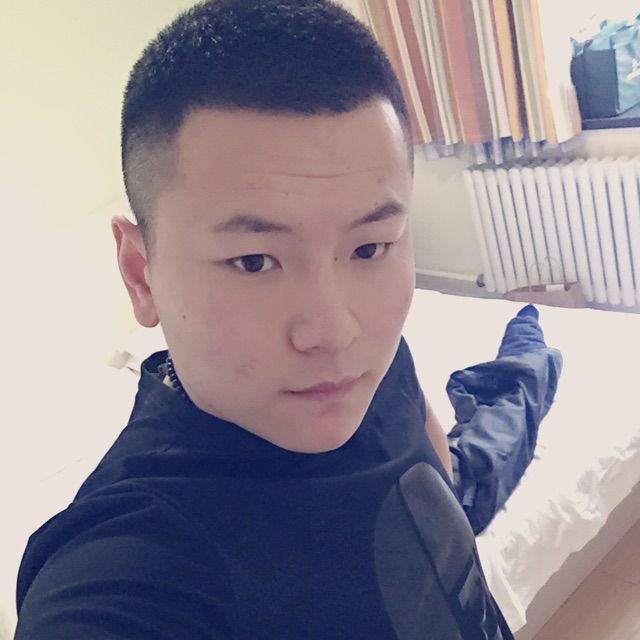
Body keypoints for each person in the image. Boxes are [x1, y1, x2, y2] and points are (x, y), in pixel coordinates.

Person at [15, 1, 517, 637]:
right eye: (253, 261)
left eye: (368, 248)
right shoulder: (126, 570)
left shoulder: (375, 356)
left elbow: (424, 449)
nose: (336, 332)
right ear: (141, 275)